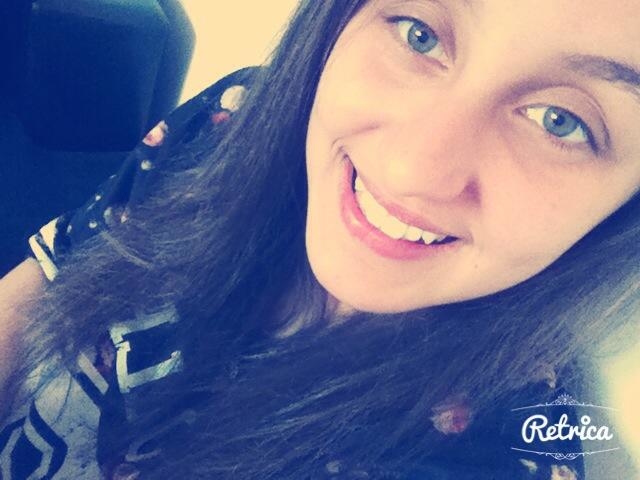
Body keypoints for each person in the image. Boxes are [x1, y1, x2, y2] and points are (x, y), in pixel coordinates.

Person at [1, 0, 639, 478]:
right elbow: (55, 271)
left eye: (561, 121)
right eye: (419, 33)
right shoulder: (236, 118)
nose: (411, 169)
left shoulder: (495, 456)